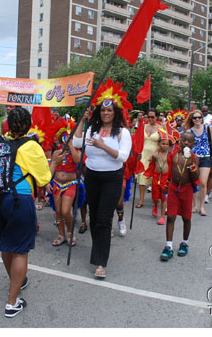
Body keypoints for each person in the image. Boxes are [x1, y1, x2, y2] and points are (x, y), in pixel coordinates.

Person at [0, 107, 52, 318]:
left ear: (8, 125)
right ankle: (12, 302)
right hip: (18, 200)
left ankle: (16, 280)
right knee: (20, 250)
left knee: (7, 243)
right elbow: (44, 179)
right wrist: (55, 162)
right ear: (29, 124)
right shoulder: (32, 146)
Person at [73, 80, 132, 279]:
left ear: (115, 113)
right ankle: (98, 250)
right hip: (92, 176)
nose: (106, 113)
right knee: (94, 217)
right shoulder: (91, 129)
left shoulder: (123, 133)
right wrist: (82, 120)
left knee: (104, 219)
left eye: (110, 110)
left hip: (111, 178)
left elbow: (122, 157)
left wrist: (102, 146)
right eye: (103, 110)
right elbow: (76, 142)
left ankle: (100, 262)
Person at [160, 131, 200, 261]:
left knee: (186, 218)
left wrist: (192, 167)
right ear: (180, 141)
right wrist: (166, 184)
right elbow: (169, 171)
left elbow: (196, 178)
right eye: (184, 140)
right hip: (173, 188)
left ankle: (184, 243)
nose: (186, 143)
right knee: (170, 217)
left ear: (193, 144)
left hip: (186, 189)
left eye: (189, 141)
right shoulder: (173, 155)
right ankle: (168, 246)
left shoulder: (194, 158)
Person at [49, 123, 81, 247]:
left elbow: (78, 161)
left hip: (70, 184)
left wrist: (71, 146)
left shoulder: (76, 152)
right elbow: (52, 167)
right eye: (64, 138)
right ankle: (61, 235)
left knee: (65, 211)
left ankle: (70, 232)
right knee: (58, 212)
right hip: (57, 184)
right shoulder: (57, 152)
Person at [184, 110, 212, 216]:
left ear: (202, 118)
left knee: (203, 182)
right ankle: (195, 205)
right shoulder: (189, 130)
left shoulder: (207, 128)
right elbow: (186, 144)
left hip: (205, 157)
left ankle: (202, 206)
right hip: (194, 158)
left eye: (199, 117)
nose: (197, 119)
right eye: (195, 118)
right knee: (194, 182)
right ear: (192, 119)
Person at [144, 129, 174, 225]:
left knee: (164, 197)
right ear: (159, 145)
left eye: (166, 144)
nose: (165, 146)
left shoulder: (170, 156)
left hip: (165, 178)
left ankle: (162, 216)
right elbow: (152, 163)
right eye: (163, 144)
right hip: (156, 176)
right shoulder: (155, 155)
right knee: (155, 196)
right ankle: (155, 205)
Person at [135, 108, 163, 210]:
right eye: (149, 117)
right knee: (142, 177)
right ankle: (141, 200)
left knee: (155, 180)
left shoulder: (160, 128)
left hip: (155, 156)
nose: (150, 119)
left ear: (157, 117)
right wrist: (138, 151)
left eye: (153, 117)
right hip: (143, 154)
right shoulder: (143, 126)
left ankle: (156, 199)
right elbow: (138, 140)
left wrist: (155, 154)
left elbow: (162, 143)